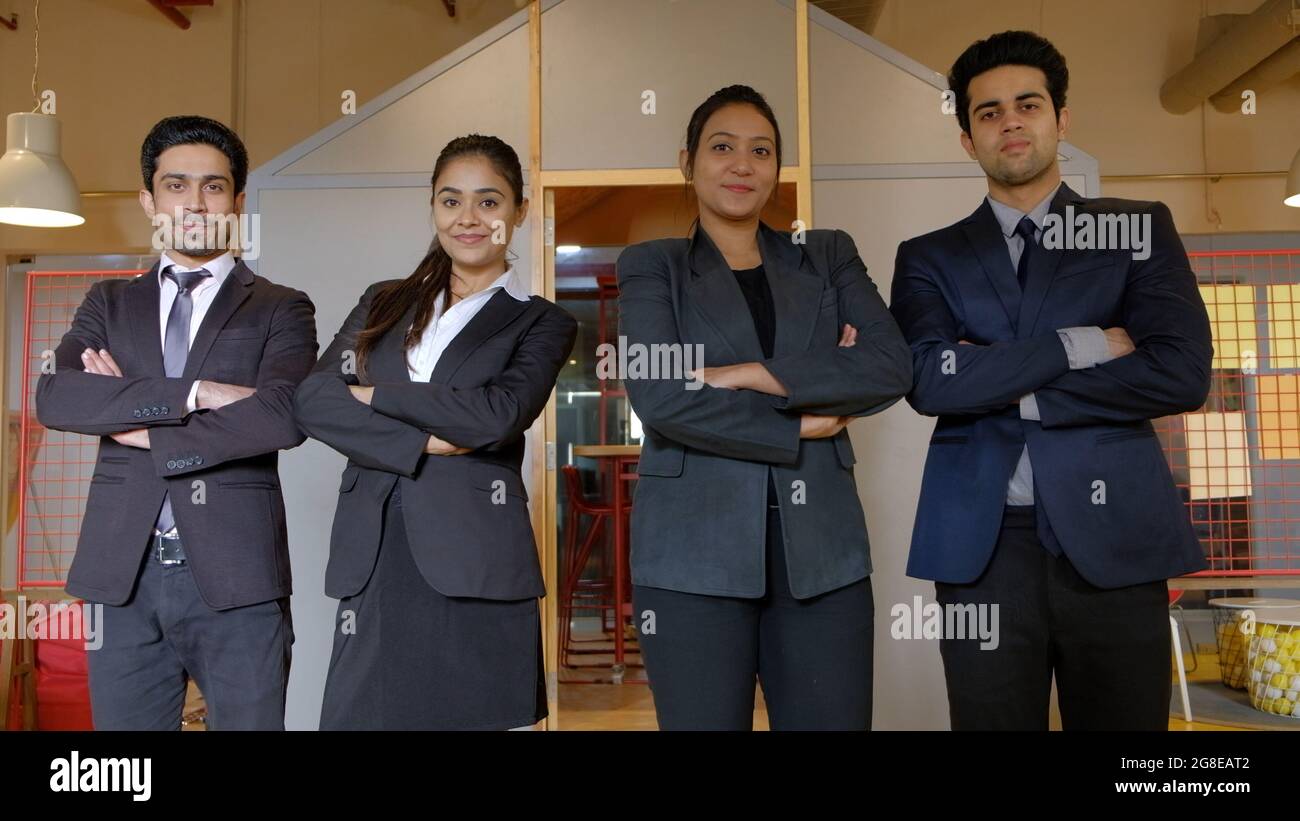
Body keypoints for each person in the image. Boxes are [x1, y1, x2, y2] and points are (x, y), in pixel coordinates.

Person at [890, 31, 1212, 730]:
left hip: (1116, 535)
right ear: (967, 139)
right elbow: (929, 380)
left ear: (1061, 120)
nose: (1010, 121)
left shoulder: (1136, 230)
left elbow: (1181, 372)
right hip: (982, 544)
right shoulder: (928, 257)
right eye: (988, 111)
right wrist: (1088, 342)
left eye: (1028, 104)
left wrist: (1005, 380)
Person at [617, 85, 912, 730]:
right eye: (722, 148)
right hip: (690, 556)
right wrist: (802, 417)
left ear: (777, 168)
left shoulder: (827, 254)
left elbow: (891, 365)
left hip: (823, 554)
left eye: (761, 150)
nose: (742, 164)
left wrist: (753, 375)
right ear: (688, 162)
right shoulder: (652, 267)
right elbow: (663, 396)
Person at [35, 115, 318, 730]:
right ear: (149, 199)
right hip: (122, 577)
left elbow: (283, 414)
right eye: (176, 185)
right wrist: (200, 392)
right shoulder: (108, 302)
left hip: (237, 577)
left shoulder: (280, 306)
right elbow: (58, 398)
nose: (194, 202)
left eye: (214, 187)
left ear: (238, 201)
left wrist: (134, 418)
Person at [294, 134, 577, 730]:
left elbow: (497, 415)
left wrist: (369, 395)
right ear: (433, 207)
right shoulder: (383, 302)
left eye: (489, 202)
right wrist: (421, 443)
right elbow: (315, 399)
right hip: (373, 549)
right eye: (451, 201)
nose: (468, 218)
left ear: (519, 211)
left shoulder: (542, 321)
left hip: (473, 555)